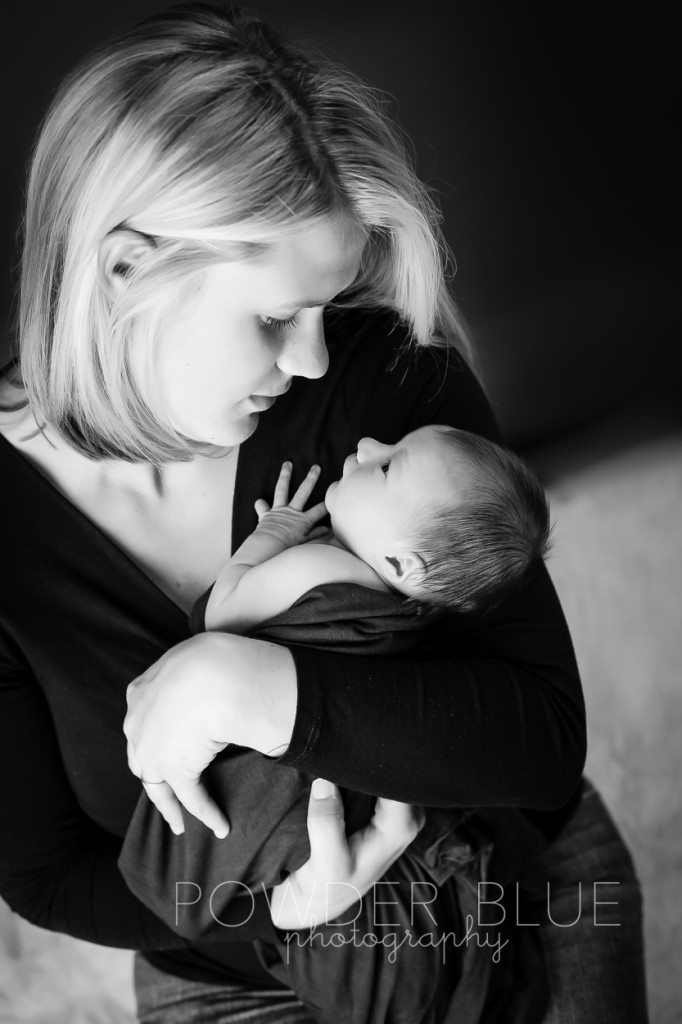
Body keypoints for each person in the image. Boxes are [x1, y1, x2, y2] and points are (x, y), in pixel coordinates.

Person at [0, 4, 648, 1023]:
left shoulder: (380, 386)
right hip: (228, 984)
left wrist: (259, 685)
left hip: (508, 903)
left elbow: (538, 740)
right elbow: (46, 878)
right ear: (124, 269)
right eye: (270, 317)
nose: (310, 359)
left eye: (325, 306)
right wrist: (284, 909)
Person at [119, 426, 553, 1024]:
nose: (371, 444)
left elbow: (222, 618)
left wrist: (270, 535)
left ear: (402, 560)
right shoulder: (417, 617)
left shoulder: (319, 566)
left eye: (386, 467)